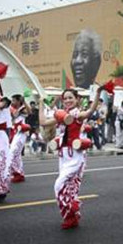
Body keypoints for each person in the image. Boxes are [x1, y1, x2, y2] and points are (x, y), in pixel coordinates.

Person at [39, 86, 105, 229]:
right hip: (63, 157)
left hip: (75, 157)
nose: (68, 100)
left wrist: (98, 93)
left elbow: (90, 111)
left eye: (70, 98)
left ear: (77, 100)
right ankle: (71, 217)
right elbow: (43, 123)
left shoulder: (77, 115)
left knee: (59, 185)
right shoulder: (61, 115)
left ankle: (72, 209)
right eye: (65, 98)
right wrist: (40, 103)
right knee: (68, 188)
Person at [9, 94, 31, 183]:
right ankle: (18, 174)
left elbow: (29, 112)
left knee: (14, 152)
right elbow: (13, 116)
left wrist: (24, 101)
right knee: (16, 154)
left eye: (14, 100)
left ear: (19, 101)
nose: (12, 102)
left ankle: (18, 173)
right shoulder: (12, 109)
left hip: (22, 133)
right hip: (14, 133)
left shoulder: (23, 109)